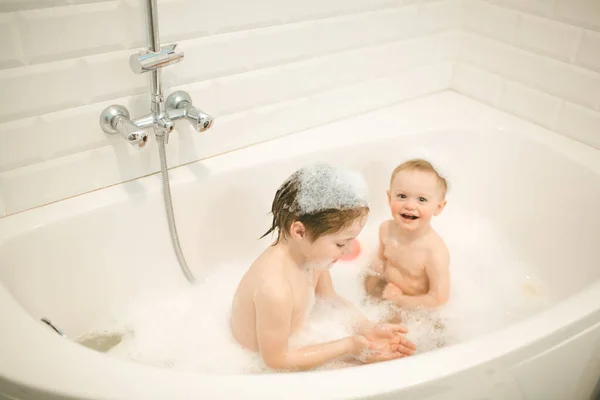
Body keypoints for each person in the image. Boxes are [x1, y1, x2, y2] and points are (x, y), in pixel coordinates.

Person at [230, 163, 416, 371]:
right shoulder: (276, 290)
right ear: (300, 232)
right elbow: (277, 360)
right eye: (340, 244)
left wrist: (368, 328)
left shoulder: (311, 257)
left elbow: (328, 297)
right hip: (256, 368)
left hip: (293, 344)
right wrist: (350, 346)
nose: (347, 251)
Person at [364, 159, 450, 309]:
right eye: (402, 196)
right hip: (388, 293)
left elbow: (438, 299)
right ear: (389, 198)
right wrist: (367, 288)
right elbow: (380, 260)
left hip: (416, 309)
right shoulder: (386, 229)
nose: (409, 206)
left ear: (438, 207)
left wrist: (400, 300)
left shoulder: (434, 252)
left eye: (421, 199)